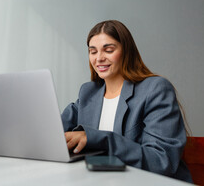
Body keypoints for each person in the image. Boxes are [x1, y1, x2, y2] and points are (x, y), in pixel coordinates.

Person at [61, 20, 193, 183]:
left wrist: (97, 139)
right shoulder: (89, 92)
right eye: (92, 51)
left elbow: (161, 161)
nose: (99, 58)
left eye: (108, 50)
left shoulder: (155, 89)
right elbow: (54, 131)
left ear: (126, 51)